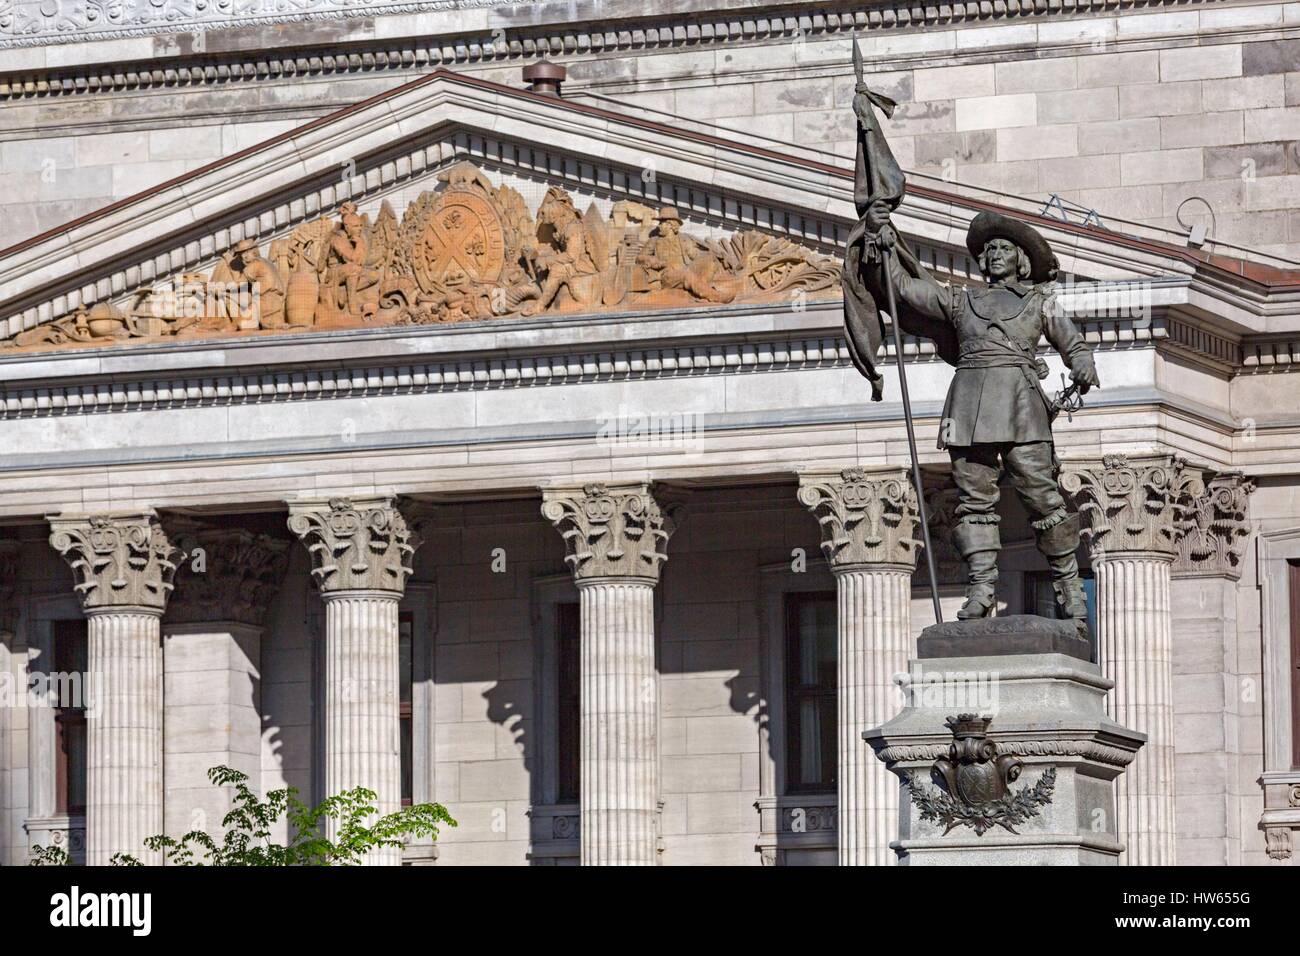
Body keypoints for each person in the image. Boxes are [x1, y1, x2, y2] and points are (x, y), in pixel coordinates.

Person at [863, 202, 1101, 628]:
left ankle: (1068, 589)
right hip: (969, 406)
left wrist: (1082, 363)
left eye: (1003, 249)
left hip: (1021, 406)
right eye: (988, 249)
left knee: (1043, 499)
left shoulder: (1039, 303)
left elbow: (1074, 343)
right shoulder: (960, 300)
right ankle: (981, 589)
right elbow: (903, 290)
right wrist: (880, 243)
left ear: (1021, 260)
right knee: (974, 502)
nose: (993, 254)